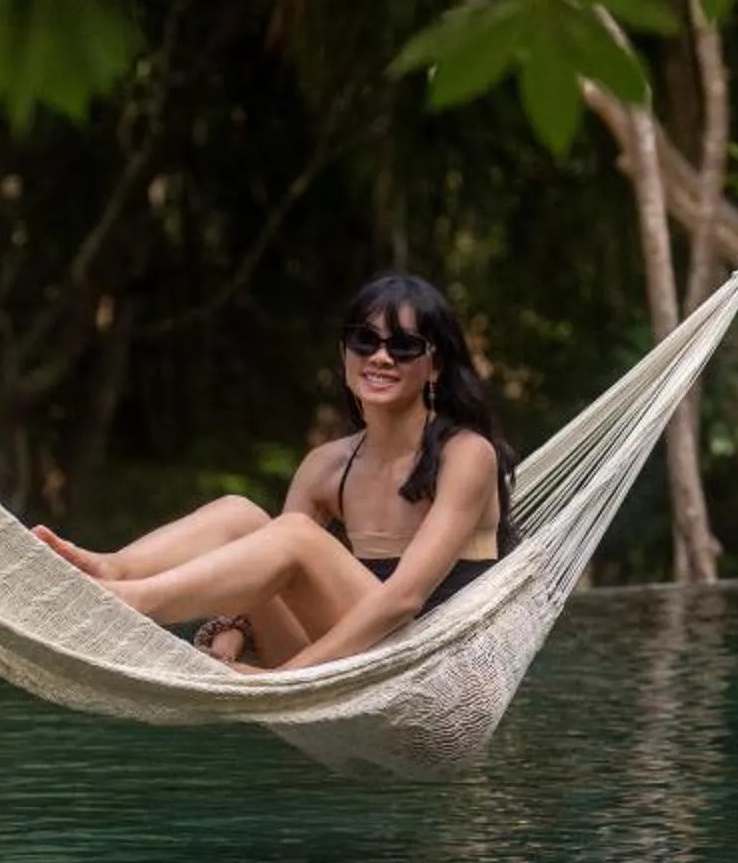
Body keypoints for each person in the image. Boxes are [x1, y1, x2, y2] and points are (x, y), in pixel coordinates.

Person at [33, 275, 516, 670]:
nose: (380, 357)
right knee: (239, 516)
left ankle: (133, 601)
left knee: (294, 535)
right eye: (364, 341)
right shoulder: (328, 466)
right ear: (344, 355)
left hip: (435, 670)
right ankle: (115, 570)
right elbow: (264, 575)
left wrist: (284, 681)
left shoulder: (466, 454)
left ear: (436, 367)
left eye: (405, 346)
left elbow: (404, 599)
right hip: (355, 660)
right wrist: (235, 629)